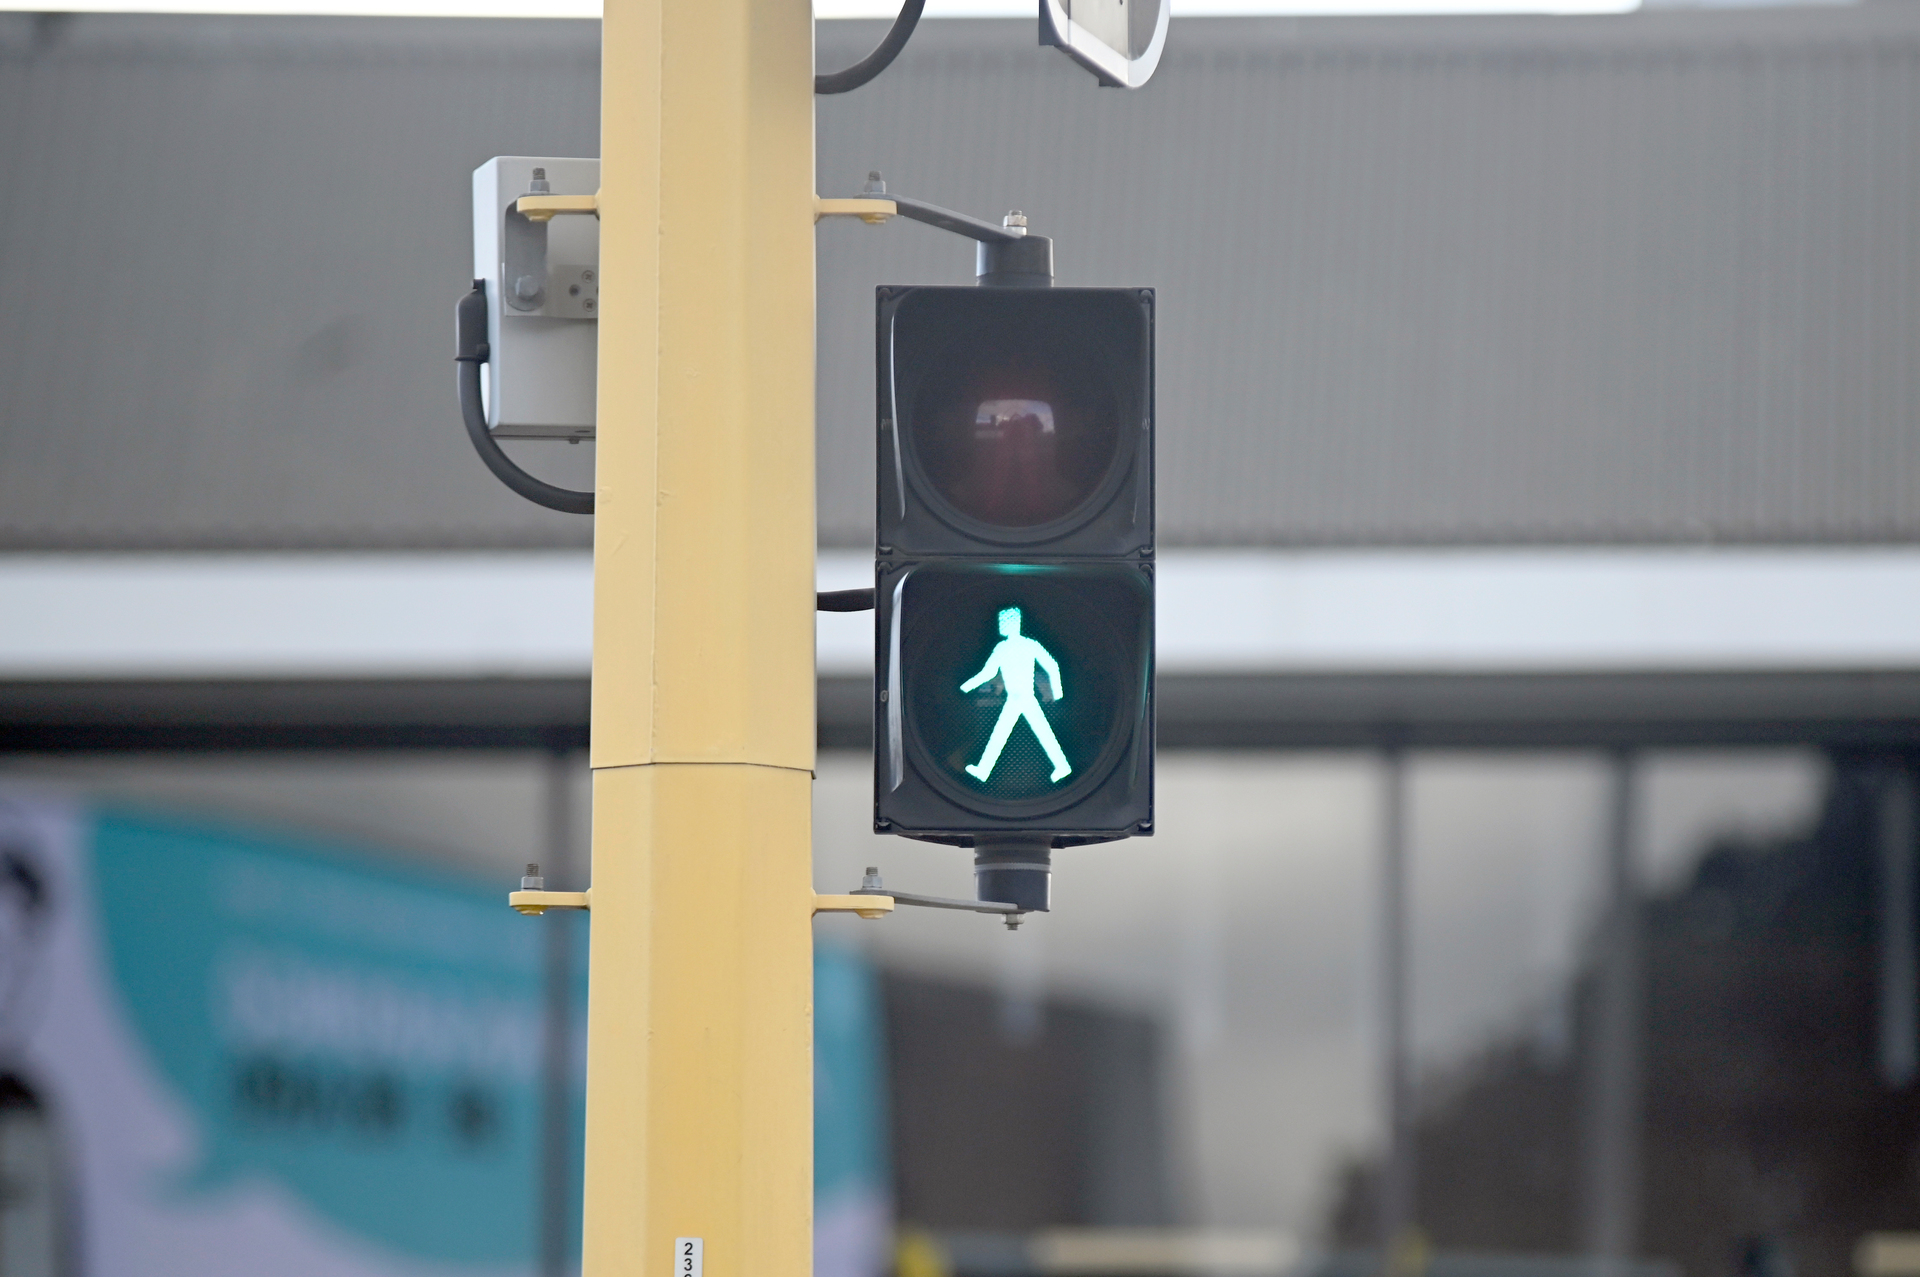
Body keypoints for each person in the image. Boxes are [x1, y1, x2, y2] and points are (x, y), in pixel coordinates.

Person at [960, 607, 1072, 784]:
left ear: (1015, 623)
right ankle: (983, 770)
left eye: (1005, 621)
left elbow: (1052, 665)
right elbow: (988, 673)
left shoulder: (1021, 645)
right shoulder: (1009, 646)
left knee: (1030, 733)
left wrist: (1058, 693)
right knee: (1014, 733)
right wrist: (965, 687)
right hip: (1016, 698)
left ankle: (983, 770)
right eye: (1001, 620)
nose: (1001, 624)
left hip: (1024, 697)